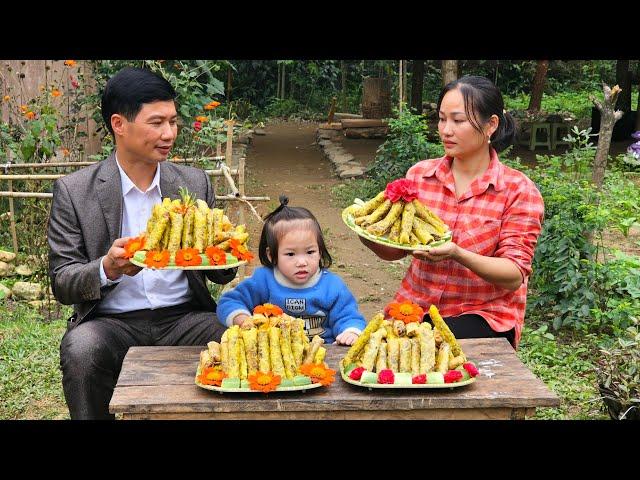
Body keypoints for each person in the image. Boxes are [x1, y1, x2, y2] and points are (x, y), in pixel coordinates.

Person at [47, 67, 236, 419]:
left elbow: (220, 275)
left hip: (185, 317)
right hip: (112, 322)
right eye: (156, 123)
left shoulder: (194, 184)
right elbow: (62, 281)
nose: (169, 134)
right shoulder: (74, 191)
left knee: (237, 337)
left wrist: (225, 250)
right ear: (119, 124)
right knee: (81, 349)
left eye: (173, 122)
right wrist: (108, 267)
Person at [361, 75, 544, 348]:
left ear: (491, 124)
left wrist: (457, 253)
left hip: (482, 315)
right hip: (415, 308)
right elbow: (397, 249)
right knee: (376, 356)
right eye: (442, 118)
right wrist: (366, 233)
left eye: (458, 121)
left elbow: (513, 274)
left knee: (430, 350)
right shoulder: (420, 176)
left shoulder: (518, 190)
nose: (446, 130)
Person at [216, 195, 366, 345]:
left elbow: (349, 316)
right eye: (290, 254)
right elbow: (230, 302)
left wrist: (350, 332)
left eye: (310, 252)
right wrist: (243, 320)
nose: (301, 262)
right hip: (273, 353)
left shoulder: (332, 286)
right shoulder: (264, 280)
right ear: (272, 255)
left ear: (320, 251)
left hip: (322, 356)